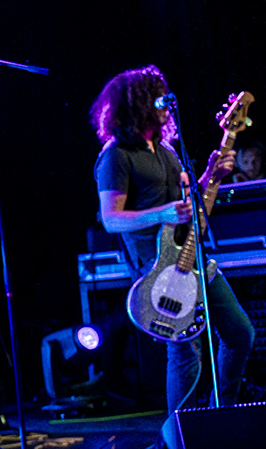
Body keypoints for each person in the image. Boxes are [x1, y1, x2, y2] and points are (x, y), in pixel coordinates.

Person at [90, 65, 253, 413]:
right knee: (184, 352)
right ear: (138, 103)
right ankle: (182, 434)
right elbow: (111, 218)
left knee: (240, 333)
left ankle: (222, 414)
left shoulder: (166, 150)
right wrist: (160, 214)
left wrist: (210, 175)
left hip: (192, 257)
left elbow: (189, 206)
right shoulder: (116, 155)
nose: (166, 103)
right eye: (157, 97)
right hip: (156, 265)